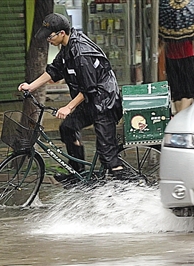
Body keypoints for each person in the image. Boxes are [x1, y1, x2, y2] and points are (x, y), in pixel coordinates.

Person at [18, 13, 124, 182]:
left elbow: (88, 88)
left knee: (107, 154)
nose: (48, 40)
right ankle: (78, 174)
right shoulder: (68, 47)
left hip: (104, 103)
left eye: (50, 36)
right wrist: (31, 86)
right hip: (91, 101)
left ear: (61, 33)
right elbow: (54, 70)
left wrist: (68, 107)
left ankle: (126, 190)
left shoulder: (80, 54)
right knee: (68, 128)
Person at [164, 36, 194, 114]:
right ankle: (181, 116)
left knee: (177, 93)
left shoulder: (167, 26)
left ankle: (179, 115)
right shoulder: (188, 24)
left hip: (171, 58)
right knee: (188, 91)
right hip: (187, 56)